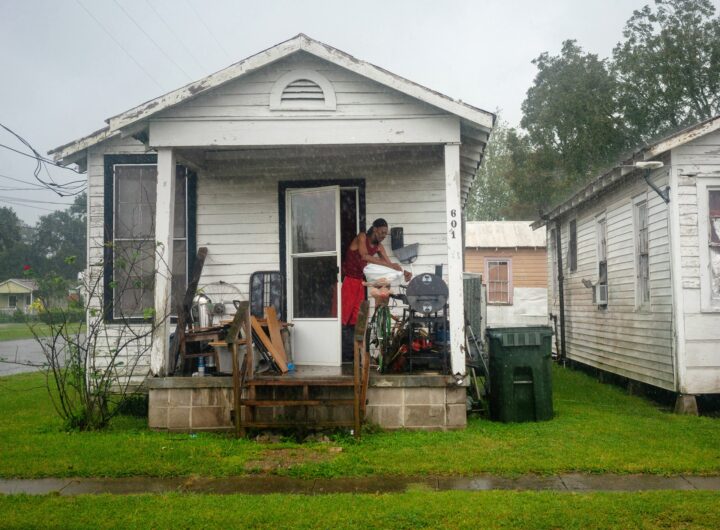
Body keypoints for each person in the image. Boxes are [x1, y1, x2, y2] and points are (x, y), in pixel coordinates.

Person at [340, 219, 411, 361]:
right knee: (343, 317)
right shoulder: (362, 237)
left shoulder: (379, 247)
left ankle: (354, 356)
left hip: (360, 283)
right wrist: (389, 265)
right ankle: (341, 353)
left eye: (385, 233)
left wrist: (403, 272)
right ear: (374, 229)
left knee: (358, 319)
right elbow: (364, 256)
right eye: (382, 232)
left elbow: (390, 265)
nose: (384, 236)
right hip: (348, 281)